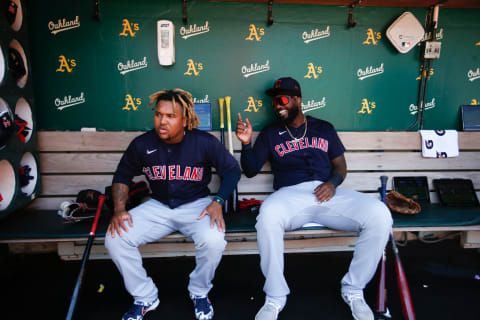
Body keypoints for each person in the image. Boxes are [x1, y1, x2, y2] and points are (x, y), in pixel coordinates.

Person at [235, 77, 392, 320]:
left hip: (327, 193)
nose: (278, 105)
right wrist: (245, 144)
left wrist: (332, 183)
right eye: (275, 101)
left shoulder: (323, 128)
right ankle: (275, 296)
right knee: (267, 216)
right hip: (290, 196)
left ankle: (353, 289)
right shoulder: (270, 133)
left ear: (298, 99)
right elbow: (251, 169)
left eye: (283, 99)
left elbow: (340, 167)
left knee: (380, 214)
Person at [105, 88, 241, 320]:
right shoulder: (142, 144)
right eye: (159, 115)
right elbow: (122, 175)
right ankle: (145, 296)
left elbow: (232, 170)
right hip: (158, 206)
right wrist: (119, 210)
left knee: (214, 240)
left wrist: (218, 201)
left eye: (170, 116)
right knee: (115, 238)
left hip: (196, 204)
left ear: (185, 120)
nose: (162, 121)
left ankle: (199, 291)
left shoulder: (204, 142)